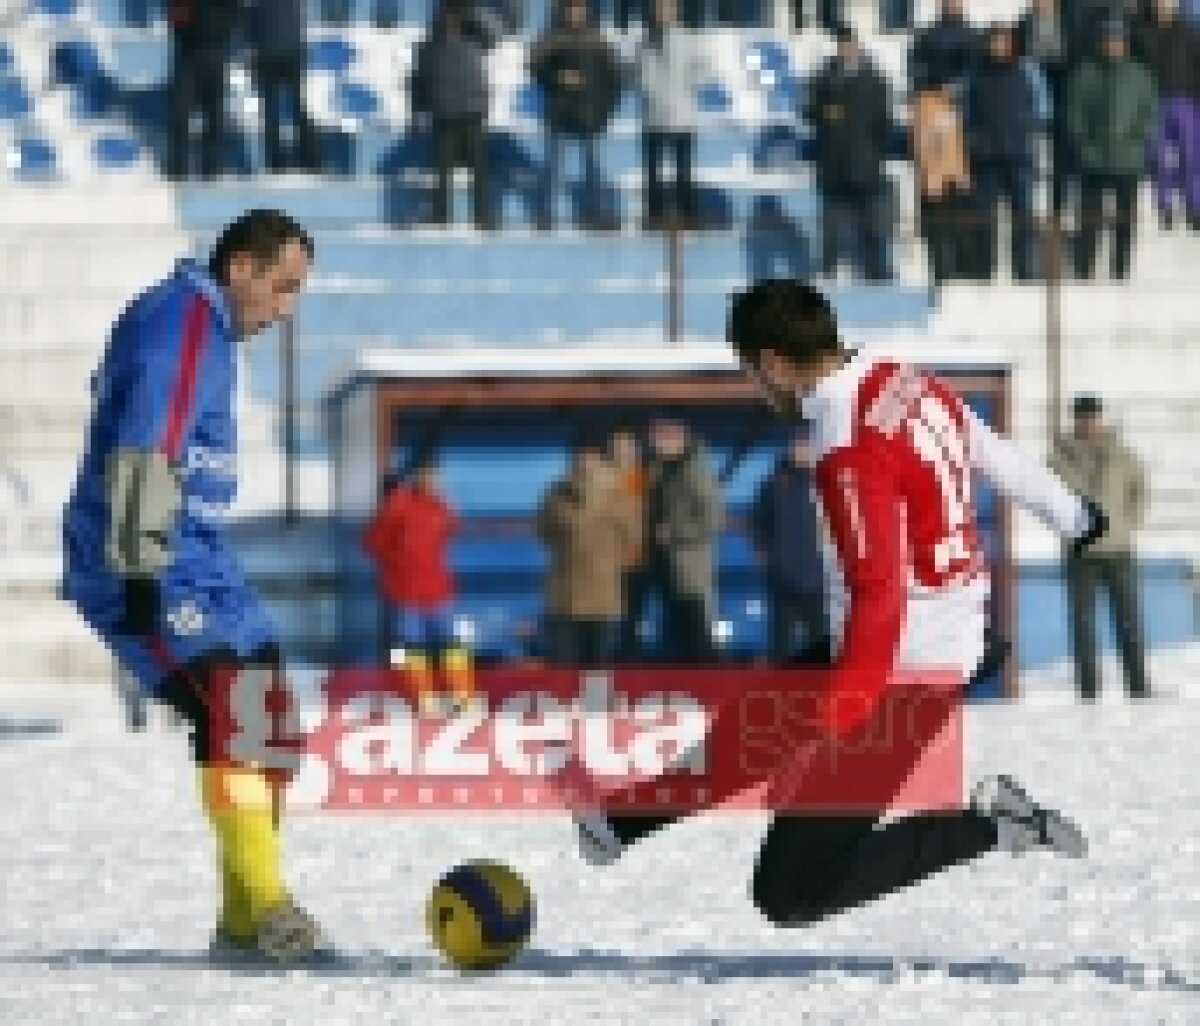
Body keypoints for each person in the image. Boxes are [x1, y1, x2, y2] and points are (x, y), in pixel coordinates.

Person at [567, 280, 1109, 929]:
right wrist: (1075, 514)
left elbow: (879, 590)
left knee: (790, 892)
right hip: (907, 635)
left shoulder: (845, 442)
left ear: (773, 363)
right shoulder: (900, 377)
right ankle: (615, 822)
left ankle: (991, 825)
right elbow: (990, 449)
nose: (756, 389)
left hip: (903, 670)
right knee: (746, 739)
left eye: (750, 374)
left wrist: (841, 719)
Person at [60, 210, 329, 963]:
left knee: (272, 720)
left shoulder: (203, 329)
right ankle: (268, 908)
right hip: (142, 558)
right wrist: (140, 566)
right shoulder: (182, 320)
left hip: (203, 560)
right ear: (240, 267)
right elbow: (147, 446)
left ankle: (242, 924)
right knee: (232, 710)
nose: (286, 309)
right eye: (283, 287)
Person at [1049, 395, 1149, 701]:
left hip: (1118, 549)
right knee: (1083, 625)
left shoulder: (1122, 454)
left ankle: (1138, 687)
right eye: (1082, 417)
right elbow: (1047, 498)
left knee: (1129, 621)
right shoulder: (1058, 458)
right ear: (1074, 420)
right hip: (1080, 552)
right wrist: (1067, 528)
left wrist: (1127, 523)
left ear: (1100, 418)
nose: (1088, 423)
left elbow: (1140, 490)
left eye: (1092, 417)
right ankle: (1088, 691)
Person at [362, 454, 473, 715]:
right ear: (415, 477)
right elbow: (372, 544)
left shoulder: (442, 507)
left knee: (453, 644)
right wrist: (398, 562)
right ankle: (421, 697)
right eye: (425, 474)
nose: (431, 480)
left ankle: (461, 696)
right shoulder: (397, 505)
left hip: (439, 591)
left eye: (434, 475)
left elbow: (450, 530)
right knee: (411, 647)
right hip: (405, 594)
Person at [537, 430, 641, 666]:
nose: (585, 463)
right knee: (564, 669)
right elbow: (543, 531)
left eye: (591, 457)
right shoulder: (556, 493)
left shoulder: (619, 495)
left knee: (599, 670)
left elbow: (633, 537)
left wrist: (607, 562)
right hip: (564, 597)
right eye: (579, 457)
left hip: (603, 596)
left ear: (602, 460)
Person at [1066, 18, 1157, 279]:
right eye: (1108, 39)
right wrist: (1083, 143)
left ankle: (1120, 271)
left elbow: (1149, 111)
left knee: (1124, 221)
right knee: (1088, 219)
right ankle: (1084, 270)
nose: (1112, 45)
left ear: (1125, 43)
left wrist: (1137, 136)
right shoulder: (1085, 73)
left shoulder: (1140, 75)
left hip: (1128, 160)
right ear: (1100, 42)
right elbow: (1074, 112)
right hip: (1093, 161)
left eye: (1117, 40)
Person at [806, 26, 894, 282]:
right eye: (842, 45)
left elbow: (884, 121)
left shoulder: (875, 79)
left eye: (850, 45)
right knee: (831, 221)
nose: (846, 49)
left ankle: (876, 269)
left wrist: (875, 152)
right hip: (833, 160)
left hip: (865, 160)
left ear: (858, 47)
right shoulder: (824, 76)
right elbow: (808, 110)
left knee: (874, 221)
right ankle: (829, 268)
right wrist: (823, 111)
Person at [528, 0, 626, 230]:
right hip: (559, 112)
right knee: (553, 165)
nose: (575, 13)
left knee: (593, 167)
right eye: (571, 9)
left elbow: (614, 79)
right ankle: (546, 213)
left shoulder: (598, 40)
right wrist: (557, 76)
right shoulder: (552, 38)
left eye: (579, 8)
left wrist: (606, 111)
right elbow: (534, 67)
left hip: (590, 114)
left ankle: (597, 213)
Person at [965, 24, 1043, 281]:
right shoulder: (975, 76)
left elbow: (1041, 110)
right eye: (994, 42)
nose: (999, 47)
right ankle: (983, 272)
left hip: (1019, 157)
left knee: (1024, 218)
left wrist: (1025, 131)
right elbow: (966, 116)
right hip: (986, 160)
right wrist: (976, 142)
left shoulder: (1026, 72)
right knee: (983, 220)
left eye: (1004, 42)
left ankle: (1026, 271)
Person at [644, 416, 723, 662]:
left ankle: (709, 683)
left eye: (661, 437)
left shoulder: (697, 471)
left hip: (690, 573)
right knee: (676, 637)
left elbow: (713, 520)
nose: (655, 443)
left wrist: (674, 531)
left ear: (680, 438)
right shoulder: (658, 470)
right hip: (664, 568)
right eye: (653, 438)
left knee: (698, 637)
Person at [410, 1, 495, 230]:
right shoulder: (429, 46)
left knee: (479, 170)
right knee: (442, 172)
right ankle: (441, 216)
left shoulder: (477, 39)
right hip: (444, 114)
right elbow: (418, 80)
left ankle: (483, 217)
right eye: (448, 14)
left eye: (457, 14)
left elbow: (495, 35)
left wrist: (474, 13)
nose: (452, 19)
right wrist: (416, 113)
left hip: (472, 113)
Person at [749, 429, 830, 665]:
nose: (800, 451)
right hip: (783, 576)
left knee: (819, 636)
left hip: (819, 577)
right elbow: (759, 522)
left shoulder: (829, 482)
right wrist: (764, 554)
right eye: (796, 446)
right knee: (782, 639)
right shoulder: (773, 485)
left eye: (805, 446)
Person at [637, 0, 714, 230]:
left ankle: (688, 214)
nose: (662, 12)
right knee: (653, 170)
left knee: (683, 169)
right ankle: (654, 214)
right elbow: (638, 72)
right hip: (654, 114)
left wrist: (686, 87)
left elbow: (703, 68)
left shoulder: (689, 38)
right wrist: (650, 90)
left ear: (676, 10)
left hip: (682, 114)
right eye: (658, 7)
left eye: (667, 7)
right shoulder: (645, 40)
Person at [1019, 0, 1092, 219]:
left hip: (1063, 81)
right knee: (1029, 150)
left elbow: (1079, 51)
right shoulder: (1025, 22)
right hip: (1032, 85)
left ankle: (1058, 208)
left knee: (1062, 151)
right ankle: (1027, 208)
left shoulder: (1071, 18)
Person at [1134, 0, 1200, 231]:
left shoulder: (1189, 33)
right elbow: (1137, 70)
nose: (1163, 6)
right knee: (1158, 159)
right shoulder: (1141, 33)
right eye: (1159, 2)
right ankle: (1165, 207)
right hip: (1152, 102)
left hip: (1184, 100)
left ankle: (1194, 207)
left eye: (1168, 2)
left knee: (1191, 157)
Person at [166, 0, 240, 180]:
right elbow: (175, 14)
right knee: (182, 112)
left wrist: (220, 31)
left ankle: (210, 167)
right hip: (191, 52)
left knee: (214, 113)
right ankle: (180, 167)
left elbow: (235, 12)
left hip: (211, 50)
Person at [911, 80, 974, 284]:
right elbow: (924, 142)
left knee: (959, 234)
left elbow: (958, 140)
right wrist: (930, 173)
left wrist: (963, 171)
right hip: (936, 182)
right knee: (939, 236)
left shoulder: (952, 103)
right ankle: (943, 282)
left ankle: (961, 279)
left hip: (953, 178)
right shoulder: (927, 104)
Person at [247, 0, 320, 174]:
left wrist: (251, 45)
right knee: (298, 106)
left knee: (271, 109)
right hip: (291, 46)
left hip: (267, 48)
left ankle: (276, 161)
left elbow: (251, 17)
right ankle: (309, 159)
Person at [609, 424, 651, 660]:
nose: (622, 452)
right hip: (608, 562)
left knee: (633, 618)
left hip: (639, 561)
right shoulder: (603, 479)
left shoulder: (647, 479)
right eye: (618, 447)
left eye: (627, 447)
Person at [909, 0, 982, 95]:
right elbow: (919, 69)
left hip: (964, 96)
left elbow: (975, 72)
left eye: (956, 1)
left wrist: (953, 89)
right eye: (948, 1)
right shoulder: (928, 37)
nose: (952, 4)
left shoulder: (973, 38)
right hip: (933, 96)